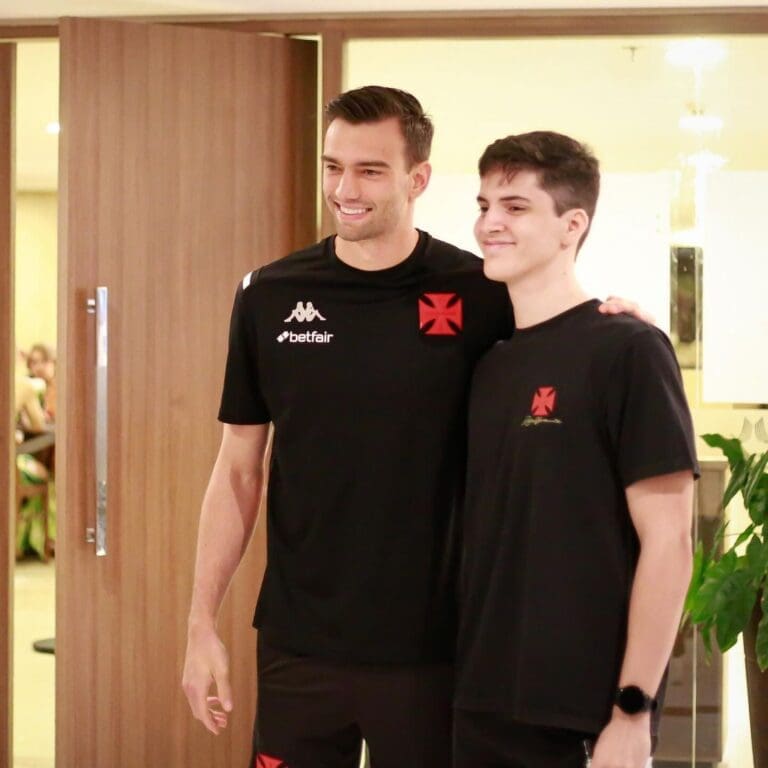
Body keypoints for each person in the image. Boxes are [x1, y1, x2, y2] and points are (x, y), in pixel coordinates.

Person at [182, 87, 647, 768]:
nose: (345, 189)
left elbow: (563, 336)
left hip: (437, 650)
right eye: (333, 167)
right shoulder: (269, 296)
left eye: (370, 170)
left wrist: (620, 323)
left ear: (417, 178)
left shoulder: (481, 291)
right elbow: (237, 470)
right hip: (298, 642)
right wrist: (201, 623)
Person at [454, 131, 699, 768]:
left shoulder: (629, 349)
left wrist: (633, 711)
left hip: (582, 715)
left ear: (572, 225)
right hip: (480, 703)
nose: (489, 223)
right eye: (484, 205)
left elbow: (671, 543)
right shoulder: (489, 365)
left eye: (515, 206)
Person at [27, 342, 56, 421]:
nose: (39, 367)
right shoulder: (29, 387)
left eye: (44, 361)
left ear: (54, 363)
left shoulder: (62, 387)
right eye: (34, 362)